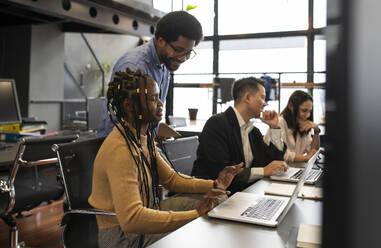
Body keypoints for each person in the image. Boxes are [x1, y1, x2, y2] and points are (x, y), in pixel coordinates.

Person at [88, 69, 243, 248]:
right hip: (123, 236)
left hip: (148, 212)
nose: (161, 104)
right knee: (199, 231)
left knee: (218, 201)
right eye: (153, 99)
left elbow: (171, 179)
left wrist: (214, 184)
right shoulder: (120, 149)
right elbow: (132, 220)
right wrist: (195, 214)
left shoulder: (141, 137)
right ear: (130, 105)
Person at [98, 11, 203, 137]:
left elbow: (148, 121)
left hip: (141, 146)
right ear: (161, 41)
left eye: (188, 53)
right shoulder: (136, 67)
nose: (183, 58)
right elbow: (125, 124)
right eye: (179, 50)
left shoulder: (164, 64)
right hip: (122, 148)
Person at [191, 77, 288, 193]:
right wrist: (263, 171)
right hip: (212, 196)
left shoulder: (253, 131)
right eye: (262, 97)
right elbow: (222, 172)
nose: (265, 103)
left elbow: (272, 164)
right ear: (247, 97)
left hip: (243, 194)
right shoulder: (217, 124)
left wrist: (274, 128)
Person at [270, 90, 320, 163]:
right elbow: (281, 155)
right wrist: (305, 158)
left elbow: (312, 151)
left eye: (309, 111)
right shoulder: (279, 123)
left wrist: (316, 130)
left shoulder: (302, 125)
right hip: (279, 171)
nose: (308, 115)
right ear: (291, 106)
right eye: (304, 110)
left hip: (295, 170)